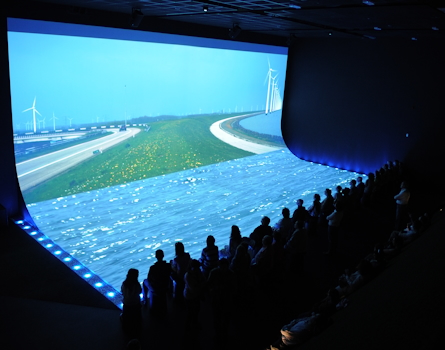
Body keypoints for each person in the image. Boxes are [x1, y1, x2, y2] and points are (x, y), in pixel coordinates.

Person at [207, 258, 236, 343]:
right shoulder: (231, 273)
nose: (223, 268)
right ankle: (224, 334)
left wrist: (212, 291)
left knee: (218, 317)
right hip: (225, 299)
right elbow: (234, 288)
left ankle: (218, 335)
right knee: (223, 317)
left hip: (218, 298)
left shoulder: (214, 272)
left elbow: (208, 284)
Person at [143, 249, 172, 316]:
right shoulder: (168, 266)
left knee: (145, 281)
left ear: (156, 256)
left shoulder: (153, 268)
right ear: (163, 255)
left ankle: (145, 300)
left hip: (156, 289)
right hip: (165, 287)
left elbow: (149, 278)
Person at [184, 259, 206, 330]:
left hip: (193, 295)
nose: (198, 269)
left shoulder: (192, 273)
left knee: (196, 310)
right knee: (191, 312)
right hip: (190, 296)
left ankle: (192, 324)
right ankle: (190, 326)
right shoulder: (189, 275)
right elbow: (193, 288)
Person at [121, 268, 142, 334]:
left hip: (127, 304)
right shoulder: (136, 284)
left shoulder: (124, 283)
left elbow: (122, 292)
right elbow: (139, 291)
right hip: (135, 304)